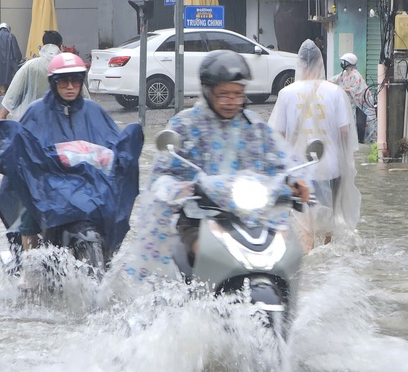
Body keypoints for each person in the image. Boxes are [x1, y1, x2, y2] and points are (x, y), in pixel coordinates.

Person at [121, 50, 309, 280]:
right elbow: (164, 173)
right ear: (208, 92)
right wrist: (183, 188)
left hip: (253, 215)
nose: (231, 101)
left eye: (237, 94)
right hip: (198, 216)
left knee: (287, 253)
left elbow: (282, 159)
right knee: (203, 252)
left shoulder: (255, 127)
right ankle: (194, 302)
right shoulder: (185, 124)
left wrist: (295, 181)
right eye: (224, 94)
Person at [0, 53, 143, 262]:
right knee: (27, 207)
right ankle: (29, 265)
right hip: (47, 185)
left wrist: (124, 154)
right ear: (54, 83)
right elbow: (22, 147)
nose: (70, 86)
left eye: (76, 81)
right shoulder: (36, 111)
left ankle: (108, 257)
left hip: (87, 184)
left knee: (111, 207)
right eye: (64, 81)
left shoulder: (94, 111)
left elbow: (113, 145)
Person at [268, 39, 361, 247]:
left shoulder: (286, 93)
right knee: (329, 222)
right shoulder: (335, 91)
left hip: (299, 169)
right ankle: (327, 254)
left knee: (303, 224)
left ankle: (309, 258)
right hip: (331, 168)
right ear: (321, 63)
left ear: (299, 63)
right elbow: (345, 131)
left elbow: (277, 135)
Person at [0, 31, 89, 120]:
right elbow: (84, 95)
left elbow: (14, 92)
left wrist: (3, 116)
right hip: (63, 118)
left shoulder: (30, 66)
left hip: (35, 119)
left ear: (43, 45)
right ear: (61, 46)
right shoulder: (66, 66)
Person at [329, 53, 377, 144]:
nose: (342, 63)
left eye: (344, 61)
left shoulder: (355, 75)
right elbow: (334, 79)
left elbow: (354, 90)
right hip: (353, 102)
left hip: (362, 102)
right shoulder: (345, 73)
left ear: (349, 62)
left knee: (363, 122)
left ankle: (363, 139)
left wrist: (342, 89)